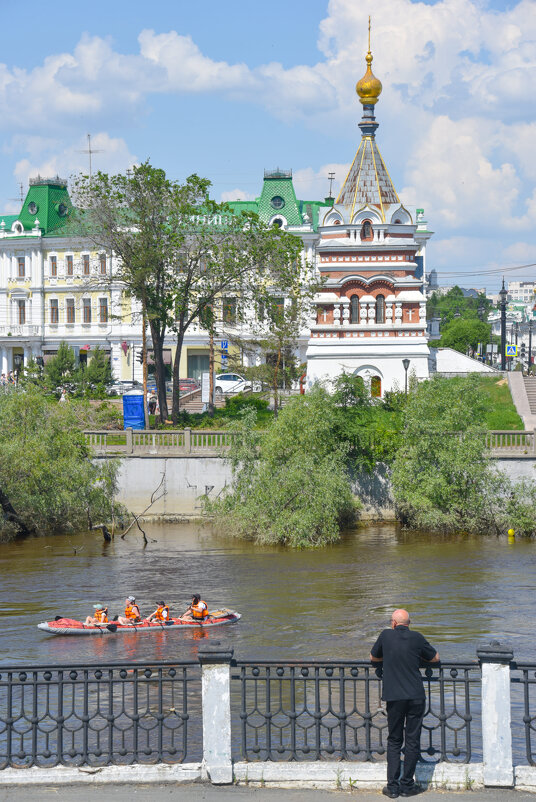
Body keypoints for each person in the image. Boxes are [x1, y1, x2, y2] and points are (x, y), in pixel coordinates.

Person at [370, 609, 439, 799]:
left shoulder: (386, 636)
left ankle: (392, 787)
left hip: (394, 697)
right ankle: (408, 785)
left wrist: (388, 657)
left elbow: (373, 657)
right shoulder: (417, 637)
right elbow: (435, 658)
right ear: (409, 623)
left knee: (394, 740)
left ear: (393, 623)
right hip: (415, 696)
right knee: (412, 740)